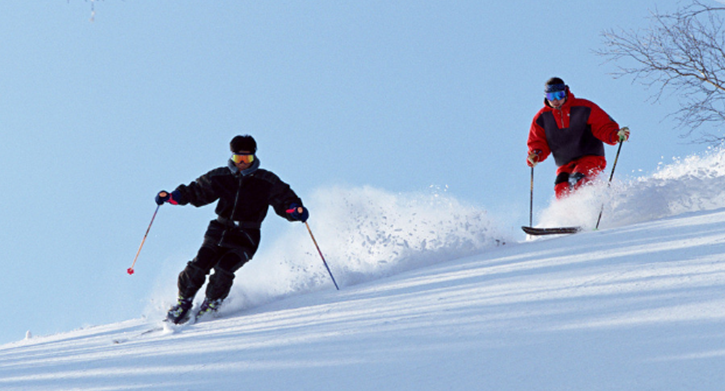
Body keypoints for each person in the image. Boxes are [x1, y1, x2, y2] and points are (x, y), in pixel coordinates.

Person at [155, 135, 309, 324]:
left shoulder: (266, 181)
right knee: (199, 264)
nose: (242, 163)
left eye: (247, 159)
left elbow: (285, 200)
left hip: (246, 237)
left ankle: (211, 303)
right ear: (232, 157)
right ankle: (183, 302)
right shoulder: (221, 177)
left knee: (224, 268)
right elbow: (197, 191)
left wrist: (294, 210)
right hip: (219, 230)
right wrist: (173, 196)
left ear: (254, 157)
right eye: (238, 159)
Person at [526, 77, 630, 199]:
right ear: (546, 97)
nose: (555, 100)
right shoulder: (542, 118)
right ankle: (568, 215)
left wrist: (615, 135)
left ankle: (592, 205)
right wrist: (536, 155)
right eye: (551, 97)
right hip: (565, 163)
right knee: (561, 186)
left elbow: (603, 126)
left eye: (559, 95)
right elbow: (538, 142)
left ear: (565, 92)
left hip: (590, 157)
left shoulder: (583, 107)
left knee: (579, 178)